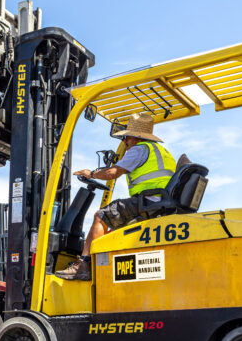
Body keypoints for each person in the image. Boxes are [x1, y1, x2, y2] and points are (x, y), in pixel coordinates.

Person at [56, 112, 176, 280]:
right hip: (160, 201)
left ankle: (84, 265)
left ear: (135, 137)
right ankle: (102, 264)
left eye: (126, 138)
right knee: (115, 228)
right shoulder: (162, 151)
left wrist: (91, 173)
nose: (125, 142)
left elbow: (112, 173)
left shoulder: (139, 149)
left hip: (147, 201)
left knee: (101, 216)